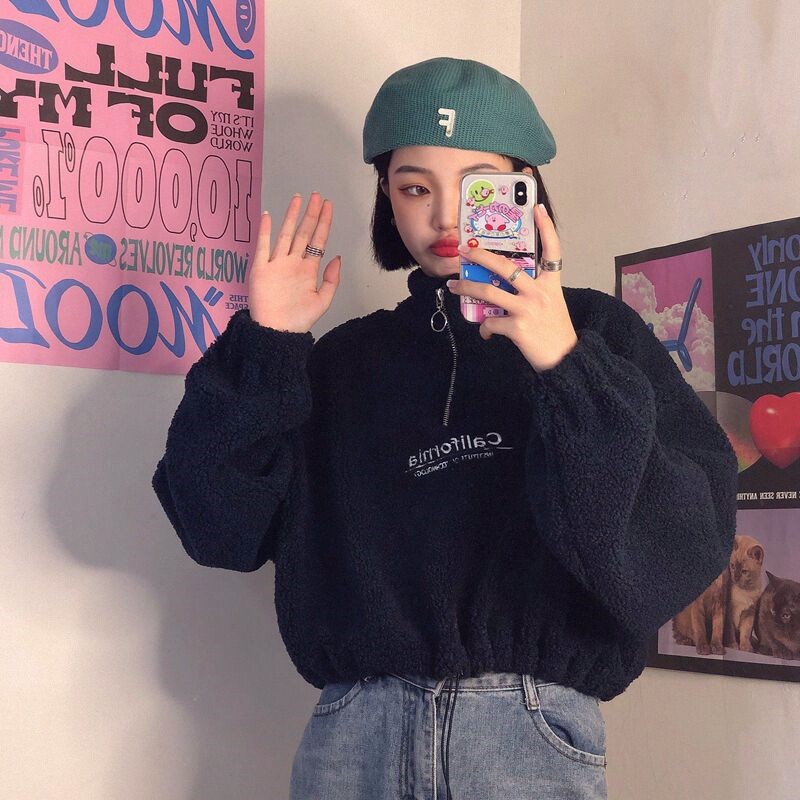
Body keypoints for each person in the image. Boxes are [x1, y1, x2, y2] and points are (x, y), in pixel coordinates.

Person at [152, 57, 739, 799]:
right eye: (414, 187)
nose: (445, 218)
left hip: (526, 739)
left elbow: (672, 556)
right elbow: (218, 530)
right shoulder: (340, 362)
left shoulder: (599, 335)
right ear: (386, 198)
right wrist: (267, 342)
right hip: (351, 743)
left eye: (479, 185)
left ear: (527, 189)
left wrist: (566, 366)